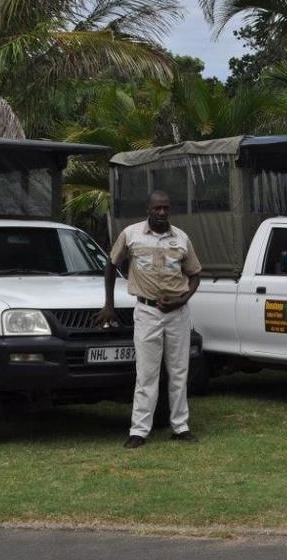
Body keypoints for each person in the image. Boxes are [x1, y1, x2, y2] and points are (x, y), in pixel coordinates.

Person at [97, 190, 202, 449]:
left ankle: (181, 426)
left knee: (179, 371)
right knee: (146, 374)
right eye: (157, 208)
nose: (162, 213)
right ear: (148, 209)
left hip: (177, 312)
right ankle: (139, 430)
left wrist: (182, 299)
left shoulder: (181, 238)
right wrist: (108, 305)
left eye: (166, 208)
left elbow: (195, 275)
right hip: (146, 311)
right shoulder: (131, 235)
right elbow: (111, 265)